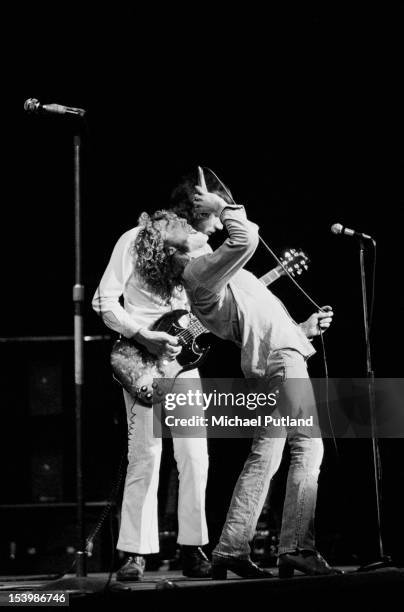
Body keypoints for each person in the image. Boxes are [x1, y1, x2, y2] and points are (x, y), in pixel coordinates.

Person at [133, 183, 342, 579]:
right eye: (191, 229)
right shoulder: (197, 273)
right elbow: (248, 237)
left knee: (267, 455)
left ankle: (231, 548)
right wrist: (223, 205)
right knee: (306, 451)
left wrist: (303, 330)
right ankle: (296, 547)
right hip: (280, 362)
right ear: (176, 250)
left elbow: (256, 323)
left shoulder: (216, 272)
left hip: (280, 356)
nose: (202, 230)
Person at [91, 177, 228, 581]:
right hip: (142, 361)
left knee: (195, 457)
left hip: (184, 365)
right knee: (145, 457)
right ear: (196, 210)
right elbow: (104, 298)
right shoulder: (134, 239)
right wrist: (143, 335)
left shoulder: (202, 251)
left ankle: (193, 547)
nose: (218, 226)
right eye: (214, 216)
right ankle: (134, 553)